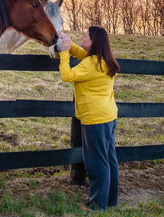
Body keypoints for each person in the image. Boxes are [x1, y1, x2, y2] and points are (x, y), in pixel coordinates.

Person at [57, 26, 120, 211]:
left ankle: (97, 205)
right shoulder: (104, 60)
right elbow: (82, 54)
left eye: (85, 36)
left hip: (95, 119)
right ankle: (110, 200)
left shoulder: (90, 64)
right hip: (109, 116)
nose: (82, 38)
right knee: (109, 159)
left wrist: (63, 53)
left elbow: (66, 75)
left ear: (93, 42)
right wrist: (67, 43)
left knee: (96, 162)